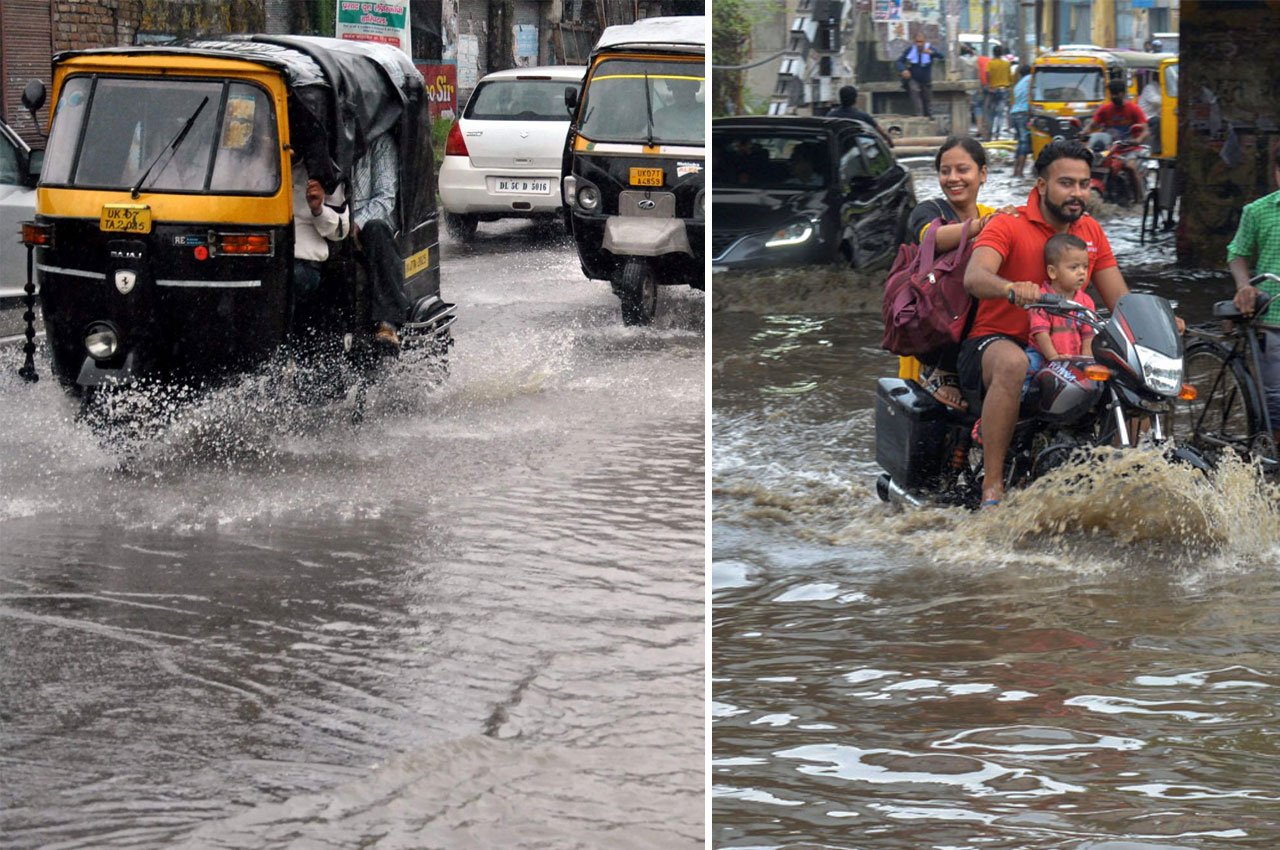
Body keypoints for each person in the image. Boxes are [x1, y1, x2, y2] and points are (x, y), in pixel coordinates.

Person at [960, 140, 1129, 507]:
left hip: (1068, 345)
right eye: (1066, 183)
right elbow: (974, 277)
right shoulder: (1008, 224)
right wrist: (1010, 289)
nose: (1077, 193)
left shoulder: (1091, 232)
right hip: (996, 342)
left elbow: (1120, 300)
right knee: (1014, 362)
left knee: (1130, 368)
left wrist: (1160, 320)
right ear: (1041, 186)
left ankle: (1117, 476)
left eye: (1084, 184)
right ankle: (992, 486)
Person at [903, 136, 1015, 410]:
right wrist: (982, 227)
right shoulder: (928, 211)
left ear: (983, 174)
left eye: (962, 170)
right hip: (930, 347)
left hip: (977, 343)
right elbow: (932, 238)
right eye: (945, 171)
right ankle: (941, 372)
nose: (953, 178)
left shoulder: (993, 216)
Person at [1227, 155, 1280, 441]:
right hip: (1272, 316)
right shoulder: (1258, 211)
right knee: (1276, 398)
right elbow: (1237, 252)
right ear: (1276, 174)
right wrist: (1244, 285)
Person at [351, 132, 412, 350]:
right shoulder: (328, 143)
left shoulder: (380, 143)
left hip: (372, 228)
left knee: (375, 229)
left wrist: (356, 223)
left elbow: (385, 197)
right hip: (331, 220)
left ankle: (388, 323)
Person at [1026, 233, 1096, 381]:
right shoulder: (1041, 299)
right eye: (1074, 267)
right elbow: (1041, 334)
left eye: (1085, 266)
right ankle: (1023, 395)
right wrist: (1054, 359)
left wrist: (1086, 361)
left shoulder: (1086, 301)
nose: (1082, 272)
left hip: (1074, 358)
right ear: (1052, 272)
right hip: (1045, 356)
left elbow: (1088, 335)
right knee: (1028, 365)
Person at [291, 158, 348, 304]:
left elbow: (340, 231)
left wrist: (318, 209)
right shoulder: (259, 162)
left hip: (302, 262)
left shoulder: (325, 173)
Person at [1082, 78, 1149, 198]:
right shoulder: (1104, 109)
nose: (1113, 96)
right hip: (1110, 149)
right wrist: (1083, 133)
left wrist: (1137, 140)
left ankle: (1139, 199)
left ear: (1123, 93)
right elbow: (1092, 125)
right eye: (1112, 93)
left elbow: (1145, 130)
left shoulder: (1134, 109)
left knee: (1130, 167)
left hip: (1129, 150)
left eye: (1116, 93)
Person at [827, 85, 894, 147]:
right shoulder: (863, 116)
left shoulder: (830, 116)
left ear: (840, 98)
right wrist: (890, 141)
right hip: (856, 149)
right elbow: (880, 131)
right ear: (855, 99)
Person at [897, 33, 944, 118]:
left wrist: (932, 53)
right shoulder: (910, 50)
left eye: (921, 42)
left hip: (926, 79)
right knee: (915, 92)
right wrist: (903, 70)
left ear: (924, 42)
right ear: (914, 42)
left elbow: (941, 56)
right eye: (917, 42)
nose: (919, 44)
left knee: (927, 99)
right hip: (913, 77)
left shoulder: (929, 48)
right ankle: (919, 116)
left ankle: (928, 116)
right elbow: (899, 61)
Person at [1009, 67, 1033, 177]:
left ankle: (1015, 170)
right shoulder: (1031, 80)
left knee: (1020, 142)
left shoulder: (1018, 84)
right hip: (1023, 113)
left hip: (1014, 113)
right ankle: (1020, 171)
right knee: (1024, 142)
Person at [984, 46, 1012, 140]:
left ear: (993, 53)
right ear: (1002, 53)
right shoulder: (1007, 64)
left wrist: (989, 85)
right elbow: (1010, 76)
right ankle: (997, 134)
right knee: (1000, 114)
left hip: (993, 90)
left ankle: (989, 133)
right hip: (1004, 89)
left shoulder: (990, 63)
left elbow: (987, 74)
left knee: (991, 113)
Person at [1138, 77, 1162, 155]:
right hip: (1146, 117)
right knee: (1158, 122)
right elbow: (1157, 100)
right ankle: (1156, 150)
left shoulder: (1161, 87)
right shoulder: (1150, 87)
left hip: (1153, 115)